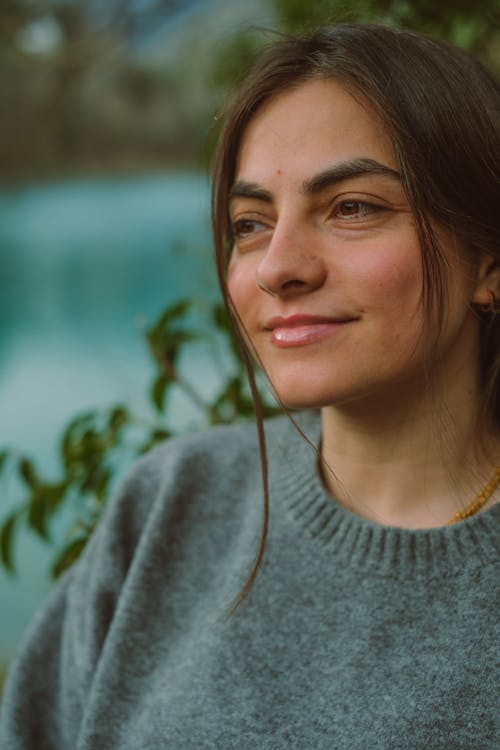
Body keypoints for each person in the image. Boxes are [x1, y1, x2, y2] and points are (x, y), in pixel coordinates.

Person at [1, 23, 499, 749]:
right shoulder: (170, 503)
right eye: (251, 222)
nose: (278, 267)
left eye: (352, 207)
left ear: (488, 262)